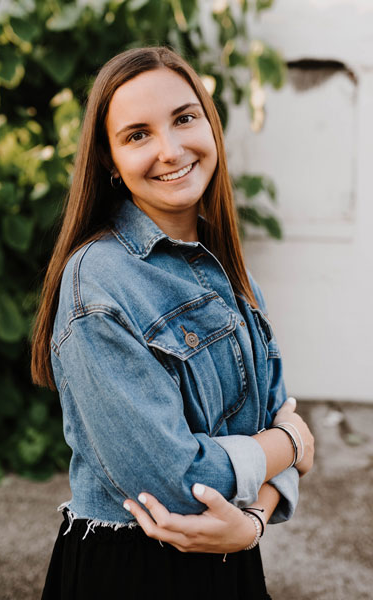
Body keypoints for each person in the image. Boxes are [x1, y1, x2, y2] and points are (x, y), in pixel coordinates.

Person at [31, 46, 314, 600]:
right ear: (110, 160)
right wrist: (290, 444)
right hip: (132, 569)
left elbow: (275, 408)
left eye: (184, 118)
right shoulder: (98, 281)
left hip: (231, 555)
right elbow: (176, 482)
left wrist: (253, 521)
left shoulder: (225, 267)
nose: (170, 149)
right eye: (137, 134)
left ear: (210, 124)